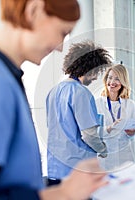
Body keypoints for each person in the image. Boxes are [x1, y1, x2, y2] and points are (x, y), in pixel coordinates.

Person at [0, 1, 108, 199]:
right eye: (63, 32)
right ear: (34, 10)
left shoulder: (7, 79)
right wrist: (62, 193)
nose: (60, 47)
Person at [46, 40, 112, 185]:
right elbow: (89, 135)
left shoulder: (53, 91)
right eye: (95, 73)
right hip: (77, 168)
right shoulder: (81, 93)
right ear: (88, 69)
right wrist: (103, 150)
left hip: (55, 167)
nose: (95, 78)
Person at [95, 64, 135, 171]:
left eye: (117, 79)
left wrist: (131, 132)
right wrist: (110, 127)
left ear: (123, 82)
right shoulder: (97, 103)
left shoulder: (130, 104)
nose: (112, 82)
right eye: (110, 77)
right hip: (105, 155)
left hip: (124, 154)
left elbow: (133, 134)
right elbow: (93, 132)